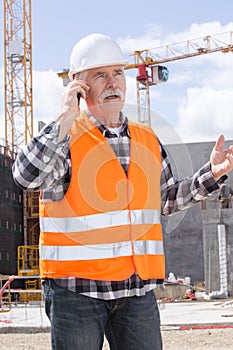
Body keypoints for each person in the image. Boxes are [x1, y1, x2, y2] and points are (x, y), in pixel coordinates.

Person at [12, 33, 233, 350]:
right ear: (79, 85)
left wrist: (211, 174)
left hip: (135, 292)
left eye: (117, 72)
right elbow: (25, 176)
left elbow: (166, 200)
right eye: (100, 75)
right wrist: (64, 116)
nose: (112, 82)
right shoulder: (63, 137)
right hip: (76, 292)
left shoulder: (146, 138)